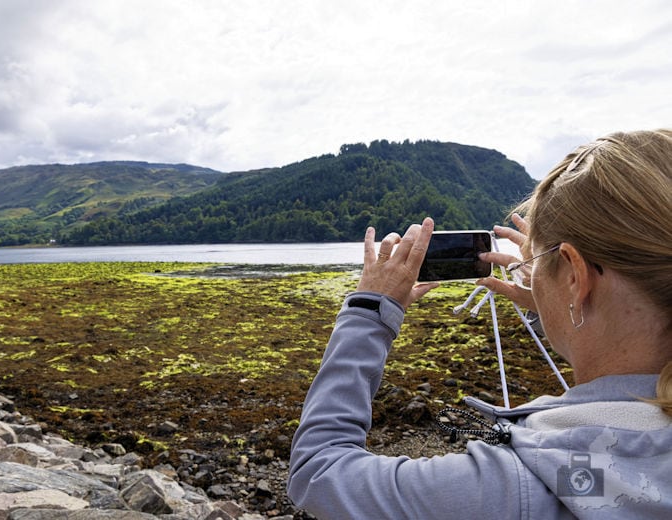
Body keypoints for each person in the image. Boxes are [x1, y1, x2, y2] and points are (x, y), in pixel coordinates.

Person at [287, 129, 672, 519]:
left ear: (575, 274)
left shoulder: (511, 489)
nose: (531, 273)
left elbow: (319, 471)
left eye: (538, 261)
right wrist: (555, 300)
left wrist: (368, 312)